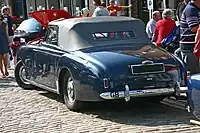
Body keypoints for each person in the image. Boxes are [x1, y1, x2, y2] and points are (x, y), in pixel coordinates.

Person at [180, 0, 200, 74]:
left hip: (194, 46)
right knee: (194, 74)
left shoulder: (195, 9)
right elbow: (194, 28)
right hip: (190, 47)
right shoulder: (191, 10)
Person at [0, 13, 9, 77]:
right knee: (0, 58)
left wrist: (8, 42)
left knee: (5, 57)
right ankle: (2, 72)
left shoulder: (5, 24)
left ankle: (6, 69)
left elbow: (7, 33)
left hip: (4, 41)